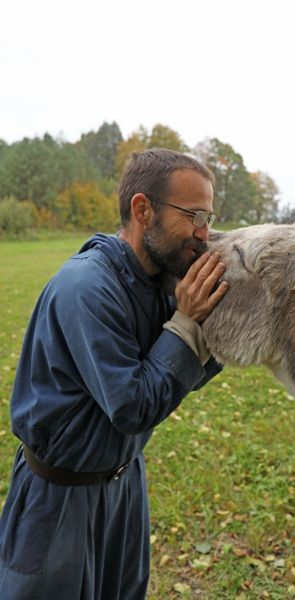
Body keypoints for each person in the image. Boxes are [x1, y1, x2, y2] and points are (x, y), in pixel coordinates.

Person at [0, 149, 228, 600]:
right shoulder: (87, 288)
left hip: (125, 486)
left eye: (210, 215)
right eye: (195, 216)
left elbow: (180, 380)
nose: (205, 233)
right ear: (143, 210)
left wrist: (217, 323)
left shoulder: (158, 285)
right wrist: (186, 325)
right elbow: (134, 405)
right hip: (61, 498)